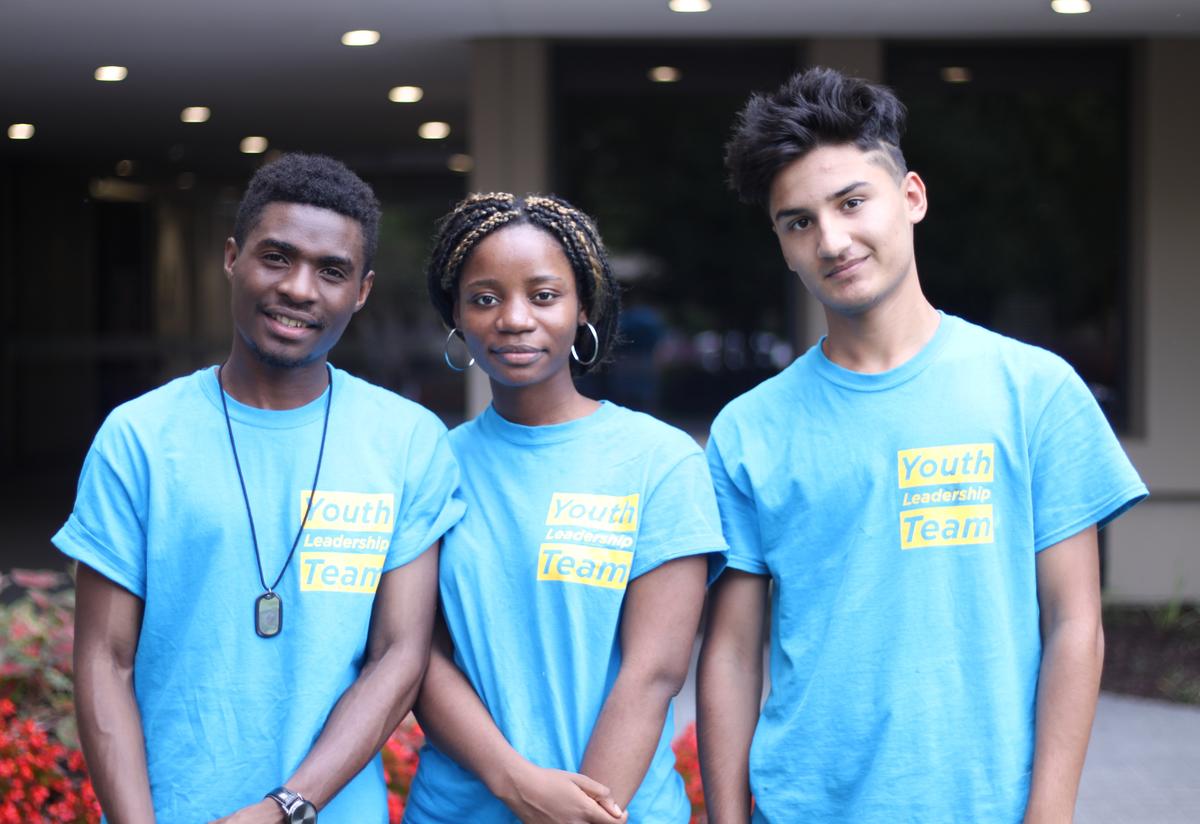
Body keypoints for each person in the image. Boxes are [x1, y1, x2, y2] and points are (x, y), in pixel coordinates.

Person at [696, 67, 1148, 823]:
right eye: (798, 222)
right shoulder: (749, 429)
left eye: (851, 203)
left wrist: (1050, 812)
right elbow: (733, 653)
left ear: (911, 197)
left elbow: (1075, 623)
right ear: (781, 245)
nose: (831, 240)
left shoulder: (1033, 390)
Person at [54, 153, 464, 823]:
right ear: (232, 258)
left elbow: (399, 654)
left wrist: (286, 807)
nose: (299, 289)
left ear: (360, 292)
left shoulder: (407, 440)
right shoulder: (140, 437)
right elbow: (105, 657)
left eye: (331, 272)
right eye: (276, 257)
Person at [402, 193, 727, 823]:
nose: (514, 318)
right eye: (486, 297)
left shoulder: (659, 461)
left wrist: (580, 815)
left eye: (544, 295)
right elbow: (418, 655)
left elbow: (653, 671)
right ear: (458, 318)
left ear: (583, 309)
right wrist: (516, 783)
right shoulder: (430, 466)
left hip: (621, 810)